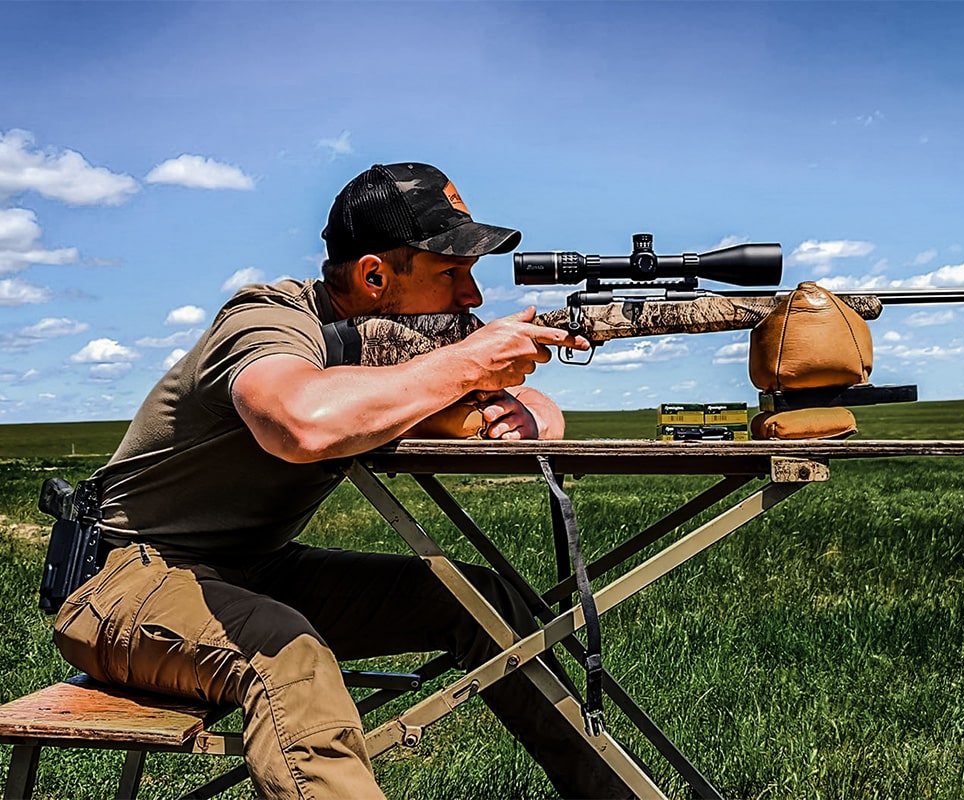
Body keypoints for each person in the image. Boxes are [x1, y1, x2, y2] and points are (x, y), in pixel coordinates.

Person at [51, 163, 639, 798]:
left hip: (257, 571)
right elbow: (300, 423)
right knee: (288, 660)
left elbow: (534, 404)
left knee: (484, 604)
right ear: (374, 276)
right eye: (451, 273)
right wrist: (467, 365)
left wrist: (524, 409)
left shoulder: (410, 343)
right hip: (126, 579)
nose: (471, 297)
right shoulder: (266, 320)